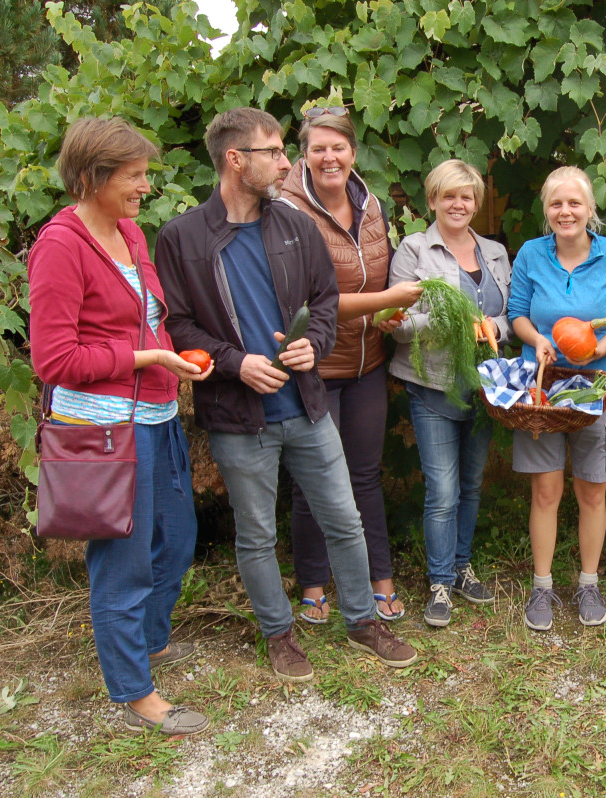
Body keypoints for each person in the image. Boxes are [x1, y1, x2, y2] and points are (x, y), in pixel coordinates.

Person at [155, 108, 417, 681]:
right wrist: (235, 363)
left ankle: (361, 620)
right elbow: (176, 325)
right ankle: (279, 634)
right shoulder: (181, 237)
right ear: (235, 160)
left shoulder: (295, 225)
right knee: (255, 533)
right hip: (237, 416)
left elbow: (324, 301)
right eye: (272, 152)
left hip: (306, 405)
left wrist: (314, 348)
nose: (284, 161)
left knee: (344, 518)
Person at [28, 117, 212, 735]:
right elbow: (54, 360)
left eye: (143, 175)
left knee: (178, 538)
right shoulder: (60, 245)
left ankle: (148, 641)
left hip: (155, 417)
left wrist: (175, 358)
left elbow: (148, 320)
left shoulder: (130, 234)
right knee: (124, 561)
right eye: (132, 176)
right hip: (104, 431)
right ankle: (133, 688)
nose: (143, 187)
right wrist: (145, 359)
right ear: (92, 177)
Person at [281, 104, 422, 625]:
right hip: (315, 365)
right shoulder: (287, 211)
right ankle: (314, 583)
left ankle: (376, 576)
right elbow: (304, 302)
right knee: (313, 479)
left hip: (367, 363)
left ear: (353, 152)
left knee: (365, 474)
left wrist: (386, 313)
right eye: (318, 148)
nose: (329, 157)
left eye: (338, 146)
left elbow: (373, 281)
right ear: (304, 154)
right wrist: (386, 296)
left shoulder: (372, 204)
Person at [508, 166, 606, 631]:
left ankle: (588, 582)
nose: (566, 212)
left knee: (592, 490)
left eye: (575, 203)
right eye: (556, 204)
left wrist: (598, 348)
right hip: (541, 390)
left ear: (590, 209)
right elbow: (517, 315)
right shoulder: (530, 254)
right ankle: (541, 588)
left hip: (595, 391)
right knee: (546, 491)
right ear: (546, 210)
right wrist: (537, 339)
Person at [388, 159, 510, 627]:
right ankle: (439, 581)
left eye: (467, 196)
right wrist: (453, 321)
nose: (458, 204)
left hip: (483, 389)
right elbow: (398, 326)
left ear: (477, 203)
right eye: (448, 195)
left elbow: (511, 314)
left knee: (472, 484)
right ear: (432, 200)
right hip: (433, 385)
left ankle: (462, 568)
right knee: (441, 491)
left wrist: (490, 326)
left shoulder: (495, 252)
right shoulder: (414, 249)